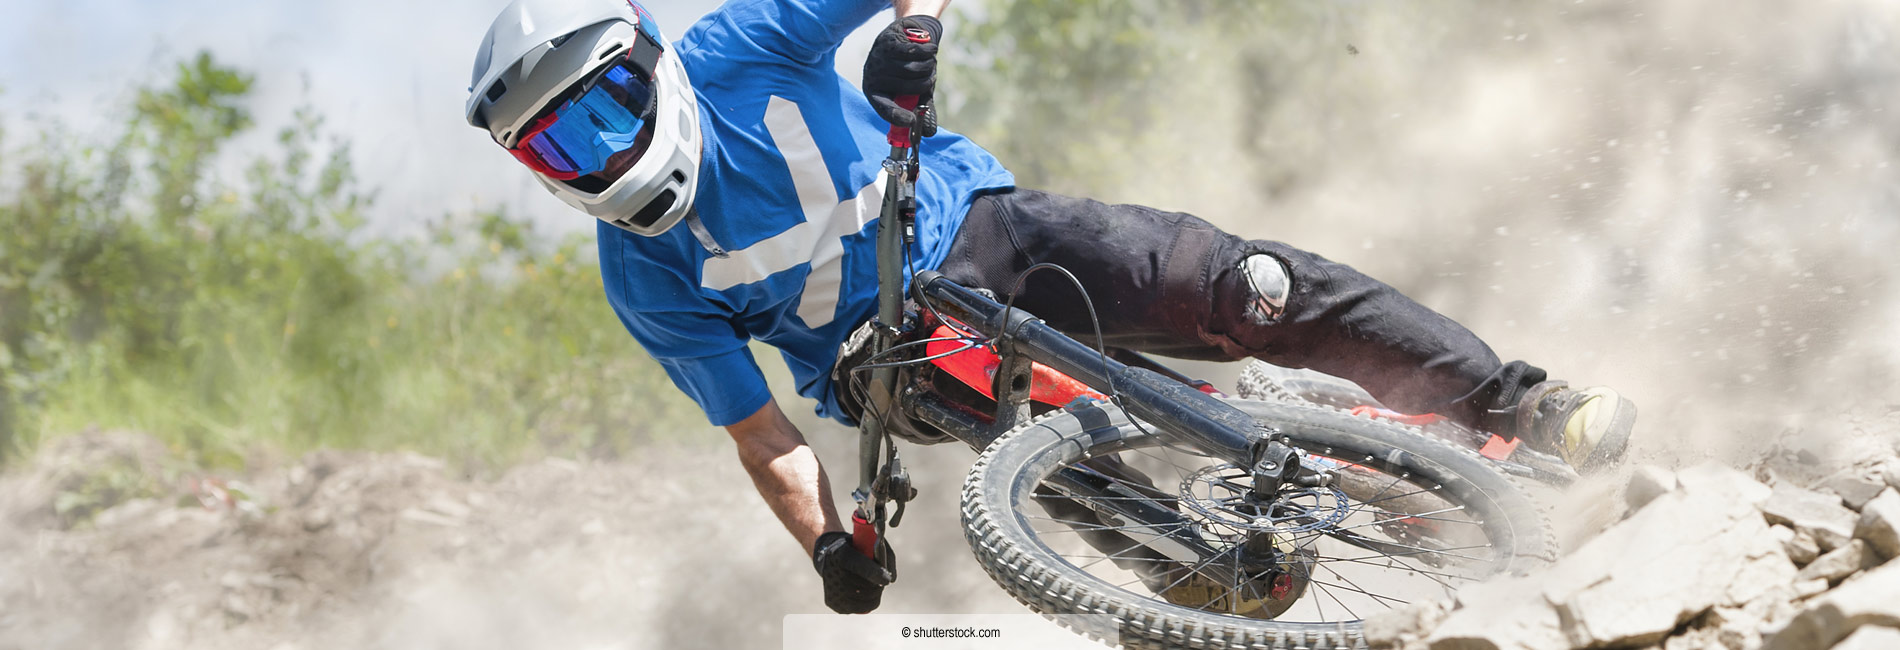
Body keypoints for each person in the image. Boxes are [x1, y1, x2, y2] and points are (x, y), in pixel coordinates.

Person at [464, 0, 1637, 616]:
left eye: (602, 111)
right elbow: (761, 434)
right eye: (557, 147)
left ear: (646, 63)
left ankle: (1522, 406)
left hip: (983, 233)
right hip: (886, 366)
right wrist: (830, 539)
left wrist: (913, 32)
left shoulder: (737, 48)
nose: (597, 154)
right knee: (1047, 455)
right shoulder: (643, 277)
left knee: (1244, 286)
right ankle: (1209, 566)